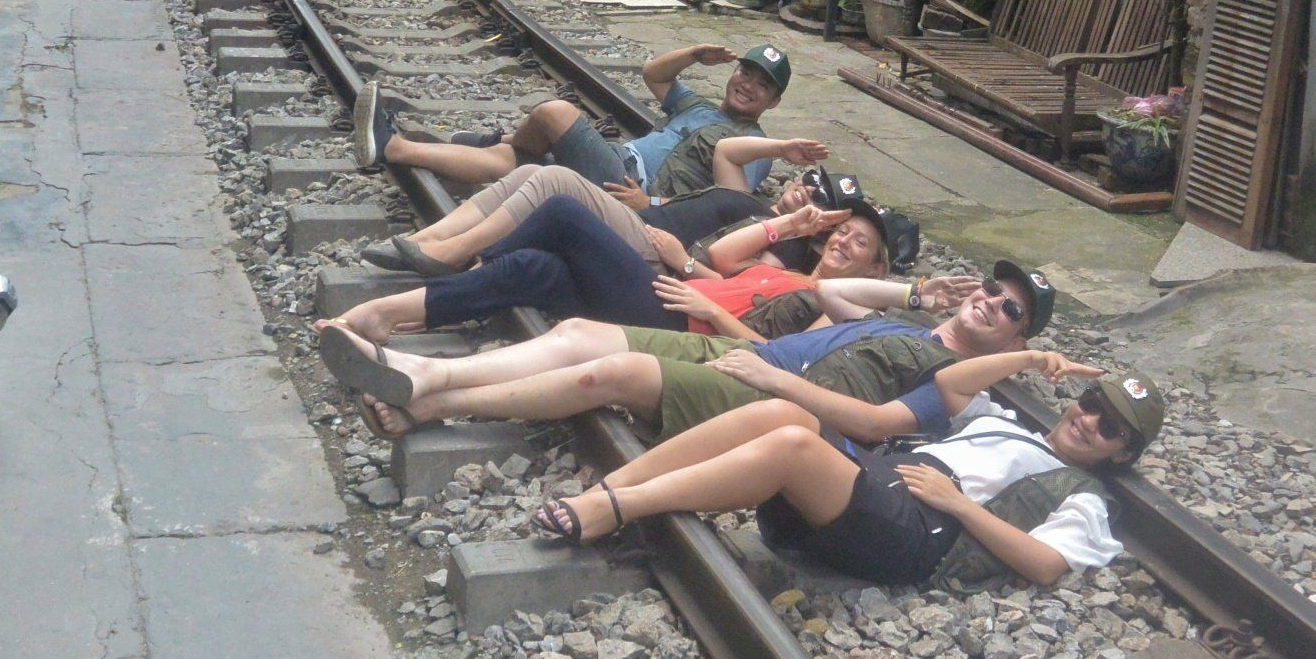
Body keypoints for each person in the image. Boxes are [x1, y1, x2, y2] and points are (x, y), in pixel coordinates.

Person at [530, 368, 1164, 590]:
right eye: (1089, 403)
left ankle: (618, 507)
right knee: (780, 413)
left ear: (1119, 455)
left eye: (1110, 428)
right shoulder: (1009, 423)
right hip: (888, 487)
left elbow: (1050, 565)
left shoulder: (1086, 496)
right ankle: (600, 494)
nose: (1088, 422)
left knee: (792, 443)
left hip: (923, 531)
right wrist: (1030, 355)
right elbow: (952, 382)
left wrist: (964, 509)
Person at [317, 257, 1053, 442]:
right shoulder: (917, 329)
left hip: (770, 397)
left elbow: (874, 427)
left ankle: (429, 402)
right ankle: (427, 369)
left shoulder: (957, 383)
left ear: (1018, 337)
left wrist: (781, 382)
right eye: (990, 288)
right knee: (575, 333)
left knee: (611, 373)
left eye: (1008, 309)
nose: (989, 302)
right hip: (746, 362)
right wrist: (921, 290)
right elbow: (835, 294)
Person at [327, 195, 906, 347]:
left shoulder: (840, 312)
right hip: (670, 299)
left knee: (561, 213)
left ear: (880, 269)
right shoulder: (794, 276)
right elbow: (727, 260)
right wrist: (794, 225)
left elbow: (789, 366)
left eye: (861, 243)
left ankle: (455, 276)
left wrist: (709, 311)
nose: (843, 241)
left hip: (680, 329)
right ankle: (389, 317)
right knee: (532, 266)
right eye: (843, 231)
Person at [354, 43, 792, 201]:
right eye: (745, 73)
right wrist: (695, 54)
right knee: (515, 166)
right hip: (616, 162)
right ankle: (393, 147)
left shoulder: (754, 145)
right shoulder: (699, 109)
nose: (748, 86)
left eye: (762, 86)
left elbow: (726, 202)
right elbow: (654, 74)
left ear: (773, 102)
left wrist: (653, 207)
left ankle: (505, 138)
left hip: (631, 188)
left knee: (554, 113)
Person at [359, 136, 830, 276]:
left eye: (818, 199)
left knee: (556, 179)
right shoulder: (749, 200)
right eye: (808, 183)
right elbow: (727, 149)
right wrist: (780, 147)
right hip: (636, 221)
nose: (805, 192)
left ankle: (454, 253)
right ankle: (429, 240)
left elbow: (741, 281)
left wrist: (682, 262)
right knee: (526, 174)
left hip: (648, 251)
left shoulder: (787, 248)